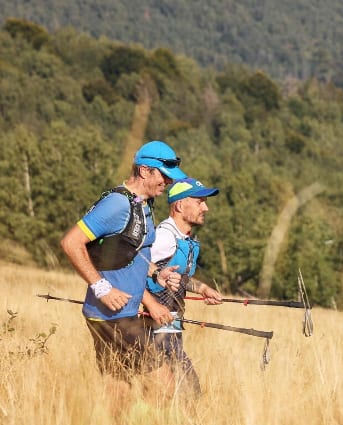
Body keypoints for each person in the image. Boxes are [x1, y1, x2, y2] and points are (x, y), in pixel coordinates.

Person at [60, 140, 188, 406]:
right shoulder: (117, 204)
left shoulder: (142, 203)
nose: (167, 183)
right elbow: (71, 243)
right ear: (144, 171)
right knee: (165, 386)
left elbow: (130, 253)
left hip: (118, 313)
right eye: (163, 176)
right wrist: (102, 287)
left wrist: (156, 275)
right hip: (113, 316)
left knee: (119, 389)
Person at [142, 177, 223, 396]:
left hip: (171, 329)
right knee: (187, 391)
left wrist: (203, 289)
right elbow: (135, 269)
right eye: (199, 202)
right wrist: (148, 305)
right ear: (179, 205)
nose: (205, 207)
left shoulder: (182, 238)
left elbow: (177, 278)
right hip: (153, 330)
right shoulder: (164, 238)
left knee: (179, 393)